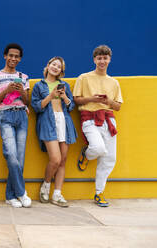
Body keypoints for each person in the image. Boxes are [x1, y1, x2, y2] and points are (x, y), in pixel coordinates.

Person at [73, 45, 123, 207]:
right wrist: (92, 99)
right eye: (99, 58)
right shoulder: (84, 78)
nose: (102, 61)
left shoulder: (114, 82)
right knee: (99, 148)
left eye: (105, 58)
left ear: (109, 60)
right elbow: (76, 100)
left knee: (110, 158)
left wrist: (108, 101)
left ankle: (99, 192)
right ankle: (87, 154)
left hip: (109, 120)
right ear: (94, 60)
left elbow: (118, 106)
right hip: (89, 118)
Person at [0, 43, 32, 208]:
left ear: (20, 59)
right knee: (11, 154)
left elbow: (27, 101)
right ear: (5, 56)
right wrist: (6, 91)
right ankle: (21, 192)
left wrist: (21, 91)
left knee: (19, 158)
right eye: (11, 55)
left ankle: (10, 196)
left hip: (22, 115)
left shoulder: (24, 76)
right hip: (6, 115)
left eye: (17, 56)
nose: (13, 58)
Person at [31, 57, 77, 207]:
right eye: (53, 64)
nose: (55, 67)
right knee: (55, 159)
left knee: (63, 161)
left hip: (63, 121)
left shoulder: (65, 85)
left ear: (61, 71)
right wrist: (50, 96)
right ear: (48, 65)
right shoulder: (39, 86)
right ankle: (46, 184)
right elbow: (36, 107)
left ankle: (57, 194)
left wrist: (64, 97)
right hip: (47, 122)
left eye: (59, 66)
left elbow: (71, 107)